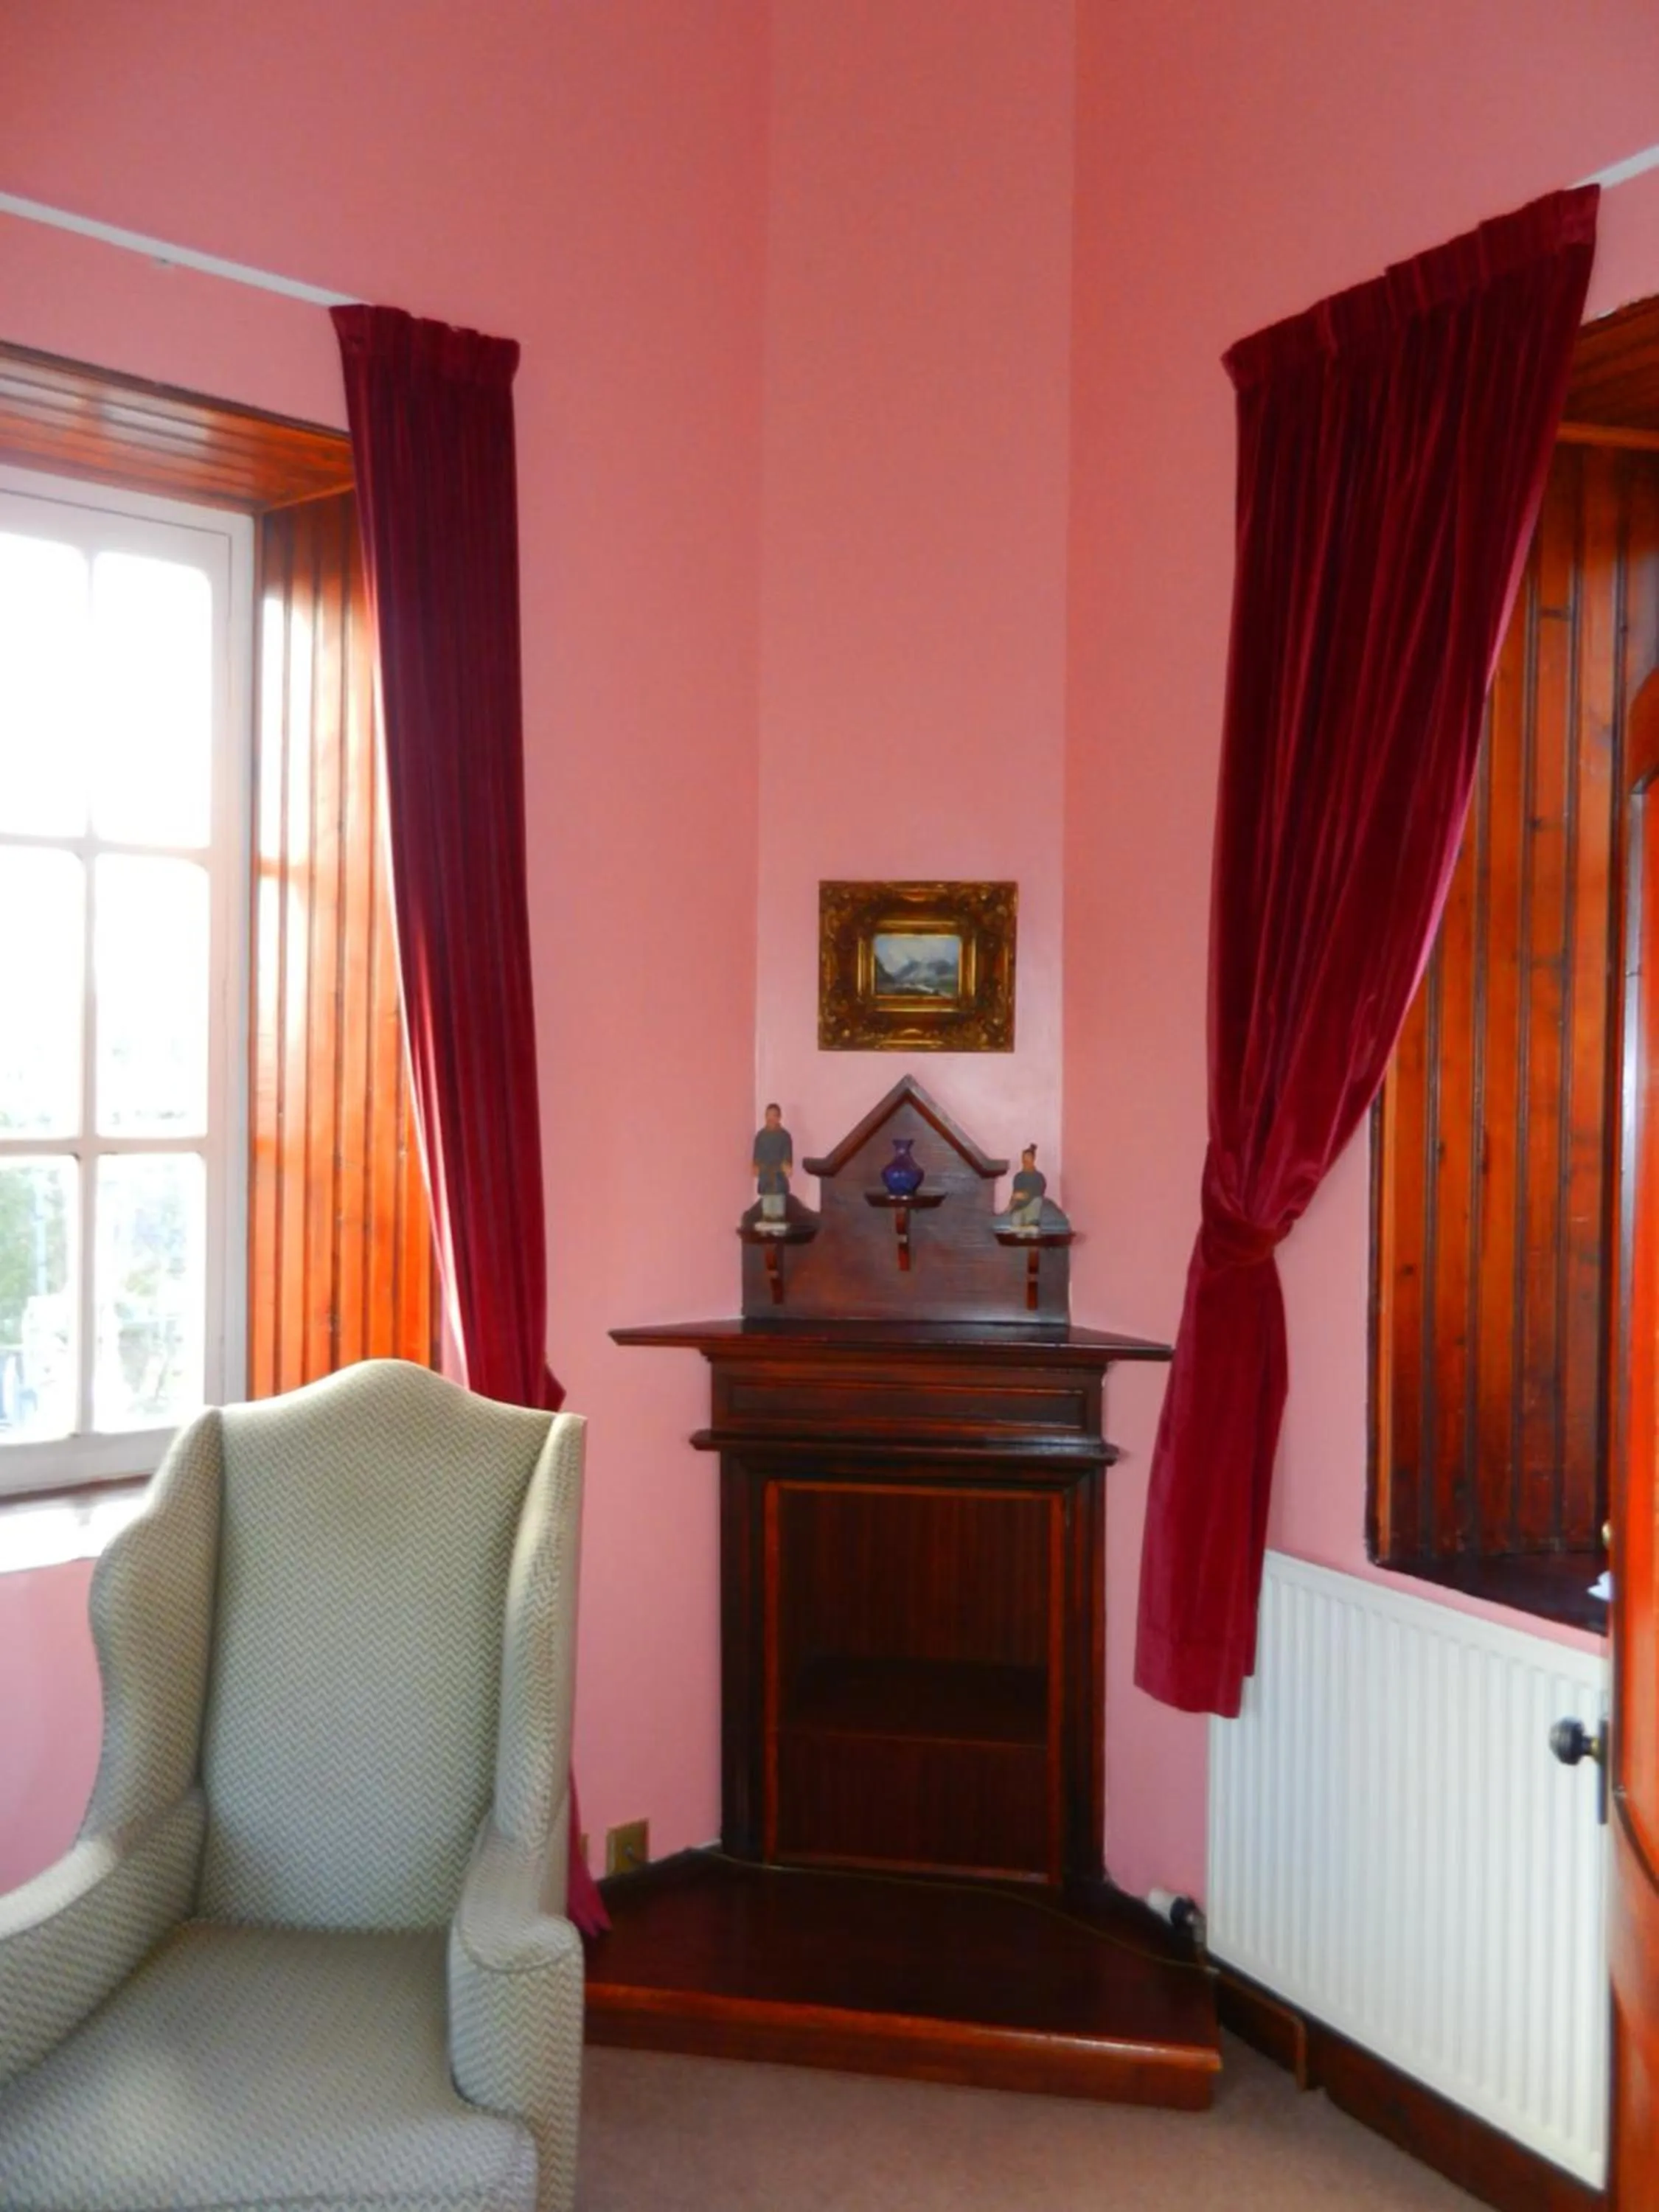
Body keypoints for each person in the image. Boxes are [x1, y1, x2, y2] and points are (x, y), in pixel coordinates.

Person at [752, 1104, 793, 1222]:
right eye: (768, 1115)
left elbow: (787, 1155)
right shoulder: (761, 1136)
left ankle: (778, 1221)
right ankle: (767, 1220)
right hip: (765, 1175)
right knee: (767, 1206)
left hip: (778, 1176)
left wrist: (786, 1165)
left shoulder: (784, 1136)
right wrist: (755, 1165)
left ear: (779, 1117)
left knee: (778, 1206)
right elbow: (757, 1154)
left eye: (774, 1115)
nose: (771, 1118)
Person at [1008, 1144, 1046, 1230]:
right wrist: (1011, 1205)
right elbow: (1015, 1193)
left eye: (1028, 1158)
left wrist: (1024, 1195)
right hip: (1019, 1207)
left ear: (1033, 1159)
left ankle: (1032, 1224)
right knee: (1016, 1224)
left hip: (1032, 1205)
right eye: (1024, 1158)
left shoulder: (1039, 1177)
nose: (1026, 1161)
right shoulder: (1019, 1177)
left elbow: (1039, 1192)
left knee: (1037, 1201)